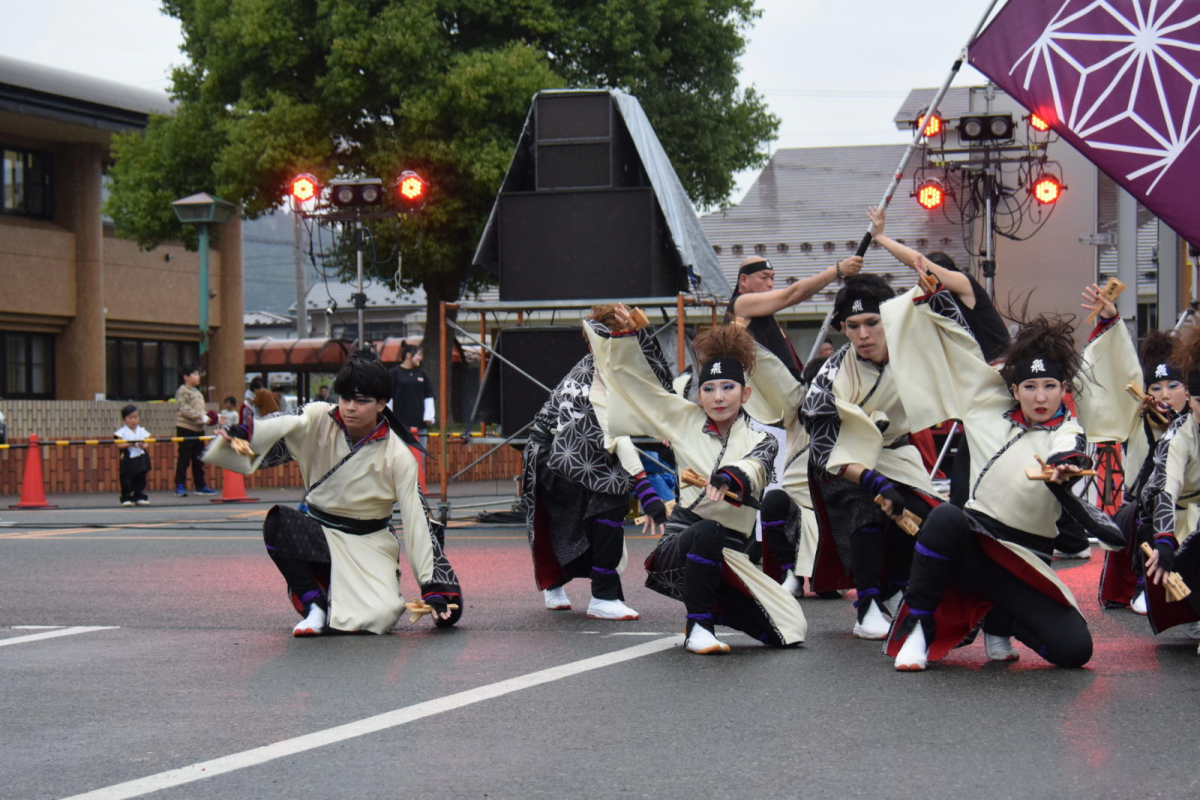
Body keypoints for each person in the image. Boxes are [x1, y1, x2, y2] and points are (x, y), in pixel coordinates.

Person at [881, 282, 1134, 671]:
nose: (1040, 397)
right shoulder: (984, 411)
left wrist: (1065, 467)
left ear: (1063, 389)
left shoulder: (1068, 430)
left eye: (1050, 386)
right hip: (976, 547)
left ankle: (997, 619)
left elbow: (1070, 448)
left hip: (1024, 561)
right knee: (946, 516)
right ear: (1014, 390)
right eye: (1030, 387)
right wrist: (935, 301)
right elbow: (959, 353)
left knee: (1074, 651)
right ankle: (920, 628)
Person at [591, 311, 806, 654]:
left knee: (791, 630)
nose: (718, 397)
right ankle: (698, 627)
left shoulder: (760, 439)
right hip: (682, 546)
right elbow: (648, 388)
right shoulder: (684, 421)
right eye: (709, 389)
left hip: (733, 555)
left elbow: (756, 467)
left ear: (745, 393)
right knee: (708, 530)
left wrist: (729, 476)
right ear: (699, 395)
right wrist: (637, 336)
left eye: (727, 387)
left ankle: (715, 602)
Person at [205, 352, 462, 636]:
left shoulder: (399, 455)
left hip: (369, 543)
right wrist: (249, 433)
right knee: (279, 522)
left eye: (362, 400)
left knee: (382, 615)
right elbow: (284, 424)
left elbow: (417, 521)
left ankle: (333, 596)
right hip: (319, 533)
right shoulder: (318, 417)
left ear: (381, 404)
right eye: (345, 398)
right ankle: (313, 606)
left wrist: (433, 587)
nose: (350, 407)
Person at [801, 274, 944, 640]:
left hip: (897, 453)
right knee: (871, 506)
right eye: (853, 326)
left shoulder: (913, 353)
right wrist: (875, 481)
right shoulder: (830, 376)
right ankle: (865, 607)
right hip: (843, 466)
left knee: (930, 518)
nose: (863, 334)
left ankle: (895, 589)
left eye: (872, 322)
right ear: (842, 329)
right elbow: (823, 449)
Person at [521, 305, 671, 619]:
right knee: (588, 511)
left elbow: (662, 384)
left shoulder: (617, 364)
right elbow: (616, 435)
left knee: (590, 518)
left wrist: (641, 331)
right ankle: (595, 595)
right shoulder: (598, 370)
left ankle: (593, 592)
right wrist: (646, 489)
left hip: (583, 454)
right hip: (550, 453)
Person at [1098, 330, 1188, 613]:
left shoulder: (1192, 422)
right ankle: (1144, 585)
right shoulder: (1134, 420)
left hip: (1188, 509)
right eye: (1156, 388)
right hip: (1145, 513)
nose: (1164, 394)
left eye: (1173, 385)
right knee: (1147, 513)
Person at [1139, 323, 1200, 649]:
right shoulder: (1177, 437)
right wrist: (1164, 541)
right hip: (1180, 521)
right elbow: (1166, 489)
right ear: (1191, 399)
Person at [725, 254, 863, 381]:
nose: (770, 284)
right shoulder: (741, 304)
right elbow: (792, 295)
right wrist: (837, 270)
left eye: (772, 278)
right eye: (764, 277)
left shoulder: (759, 311)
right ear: (744, 280)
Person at [174, 364, 216, 497]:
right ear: (186, 377)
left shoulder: (197, 393)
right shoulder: (182, 391)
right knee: (184, 459)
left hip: (198, 429)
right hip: (186, 428)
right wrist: (201, 416)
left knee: (198, 459)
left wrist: (211, 418)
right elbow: (184, 409)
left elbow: (200, 411)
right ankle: (179, 485)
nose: (198, 377)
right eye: (195, 374)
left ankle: (200, 485)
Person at [389, 342, 435, 451]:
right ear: (409, 355)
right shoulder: (393, 374)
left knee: (419, 459)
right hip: (400, 426)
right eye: (418, 354)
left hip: (420, 426)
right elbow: (388, 398)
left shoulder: (422, 374)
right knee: (400, 459)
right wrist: (389, 418)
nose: (420, 358)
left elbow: (428, 396)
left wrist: (428, 416)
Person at [115, 404, 152, 507]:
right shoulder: (121, 432)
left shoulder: (142, 431)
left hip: (140, 456)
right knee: (127, 478)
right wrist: (130, 443)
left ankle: (139, 496)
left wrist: (142, 444)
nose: (133, 420)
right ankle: (126, 497)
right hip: (128, 457)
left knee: (141, 477)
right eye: (130, 418)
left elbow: (147, 444)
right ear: (124, 419)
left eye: (135, 417)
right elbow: (119, 445)